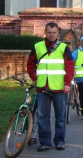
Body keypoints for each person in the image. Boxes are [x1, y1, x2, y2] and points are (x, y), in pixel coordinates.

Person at [27, 22, 74, 151]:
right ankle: (45, 142)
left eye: (54, 32)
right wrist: (34, 78)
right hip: (42, 86)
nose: (51, 35)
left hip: (59, 87)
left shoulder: (63, 47)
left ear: (58, 33)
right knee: (42, 116)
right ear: (45, 32)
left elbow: (70, 66)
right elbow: (30, 64)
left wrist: (67, 83)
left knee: (60, 116)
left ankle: (59, 141)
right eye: (49, 32)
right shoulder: (38, 46)